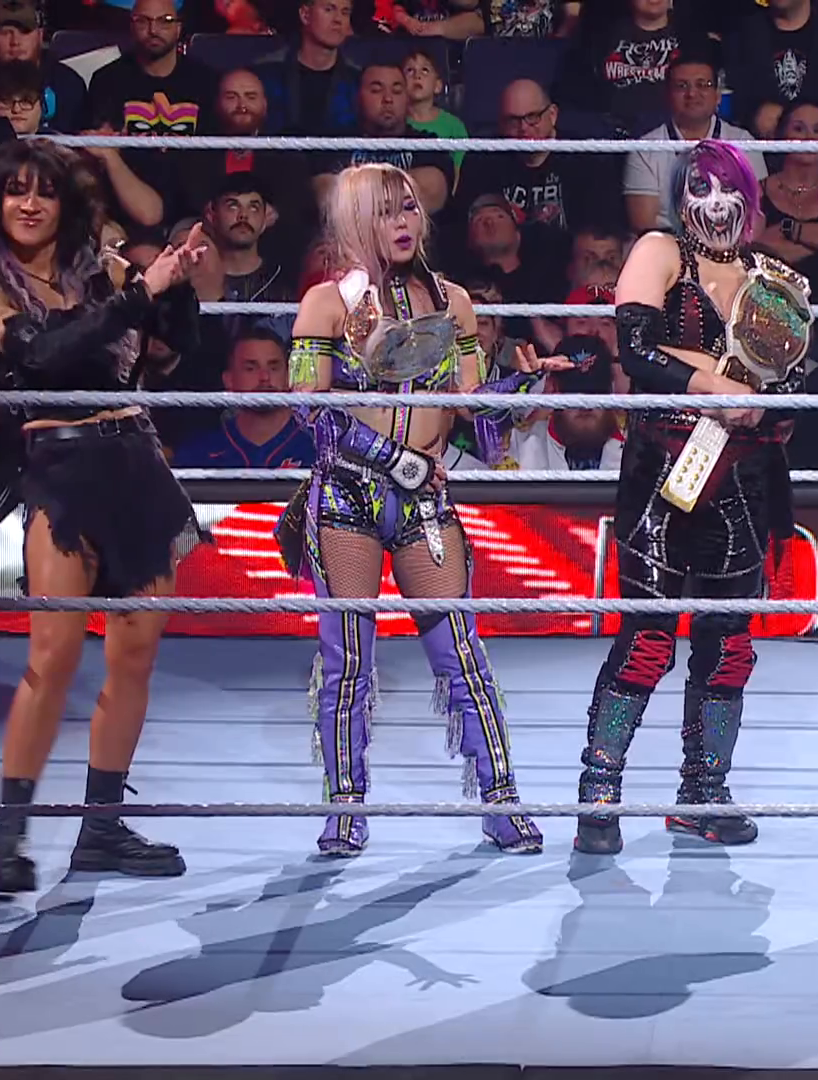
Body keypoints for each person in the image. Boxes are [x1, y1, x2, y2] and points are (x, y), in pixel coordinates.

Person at [275, 162, 570, 858]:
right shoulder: (324, 304)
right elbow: (308, 410)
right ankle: (345, 807)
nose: (402, 222)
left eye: (408, 208)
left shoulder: (454, 302)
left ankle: (501, 799)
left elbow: (472, 414)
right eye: (384, 211)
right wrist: (390, 459)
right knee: (347, 657)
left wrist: (520, 384)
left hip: (425, 498)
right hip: (347, 494)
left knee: (460, 650)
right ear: (355, 222)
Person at [0, 139, 209, 895]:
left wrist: (176, 285)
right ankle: (9, 841)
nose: (30, 204)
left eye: (45, 192)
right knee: (52, 656)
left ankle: (101, 829)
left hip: (136, 462)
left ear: (66, 205)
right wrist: (137, 292)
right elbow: (43, 355)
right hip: (60, 468)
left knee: (134, 657)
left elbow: (178, 348)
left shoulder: (104, 270)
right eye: (16, 191)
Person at [574, 138, 813, 856]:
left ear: (751, 196)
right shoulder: (660, 253)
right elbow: (636, 350)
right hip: (663, 472)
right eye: (699, 187)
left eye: (726, 186)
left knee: (729, 644)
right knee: (646, 639)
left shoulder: (773, 280)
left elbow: (795, 373)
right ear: (680, 197)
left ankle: (703, 792)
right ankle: (598, 793)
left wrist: (762, 402)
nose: (713, 201)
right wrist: (715, 381)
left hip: (743, 476)